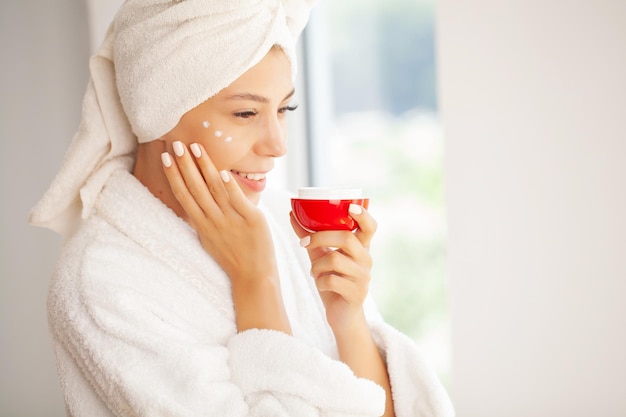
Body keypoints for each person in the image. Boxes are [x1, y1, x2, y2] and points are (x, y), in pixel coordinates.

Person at [29, 1, 454, 416]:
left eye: (285, 109)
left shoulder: (281, 224)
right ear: (157, 111)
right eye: (247, 112)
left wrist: (348, 320)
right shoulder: (102, 281)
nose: (277, 145)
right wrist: (256, 280)